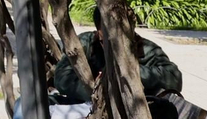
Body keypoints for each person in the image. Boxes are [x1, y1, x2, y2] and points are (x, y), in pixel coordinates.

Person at [51, 8, 185, 119]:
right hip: (88, 106)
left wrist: (128, 72)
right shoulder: (86, 44)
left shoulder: (144, 48)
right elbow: (62, 78)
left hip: (132, 108)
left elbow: (174, 78)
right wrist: (100, 91)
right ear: (100, 32)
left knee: (165, 110)